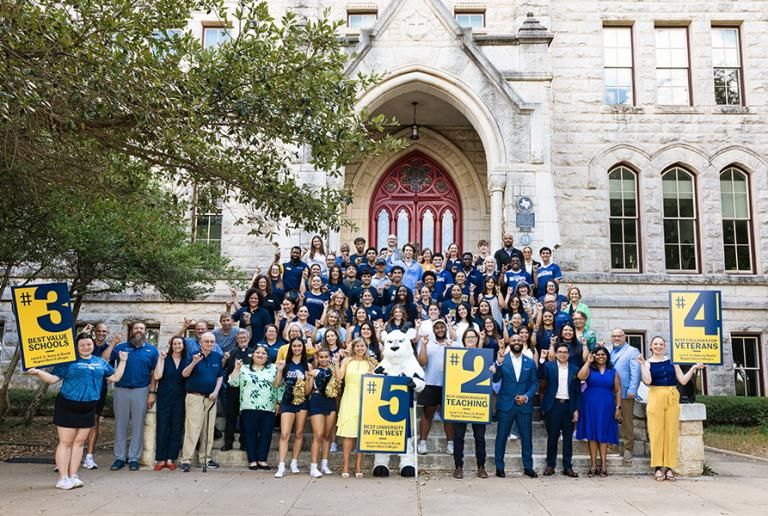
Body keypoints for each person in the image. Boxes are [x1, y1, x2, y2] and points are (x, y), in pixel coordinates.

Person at [27, 333, 127, 490]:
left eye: (89, 344)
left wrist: (123, 361)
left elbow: (115, 377)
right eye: (82, 345)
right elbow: (53, 379)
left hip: (89, 407)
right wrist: (38, 372)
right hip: (68, 405)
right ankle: (62, 478)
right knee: (66, 443)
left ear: (93, 345)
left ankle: (73, 475)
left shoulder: (100, 362)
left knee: (79, 443)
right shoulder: (68, 361)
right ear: (77, 346)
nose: (86, 347)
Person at [639, 336, 705, 481]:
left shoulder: (673, 362)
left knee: (671, 432)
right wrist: (642, 365)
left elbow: (683, 380)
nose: (658, 346)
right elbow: (648, 381)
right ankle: (657, 467)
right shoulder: (648, 363)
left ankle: (669, 467)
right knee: (656, 432)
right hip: (655, 395)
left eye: (661, 344)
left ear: (664, 346)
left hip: (672, 396)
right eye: (655, 344)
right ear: (651, 346)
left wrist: (693, 368)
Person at [100, 321, 159, 471]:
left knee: (138, 426)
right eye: (136, 328)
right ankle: (120, 457)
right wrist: (113, 344)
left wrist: (152, 393)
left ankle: (133, 458)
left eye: (141, 328)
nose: (138, 330)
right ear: (131, 331)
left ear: (145, 331)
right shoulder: (121, 347)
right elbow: (103, 359)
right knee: (120, 424)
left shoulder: (152, 350)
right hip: (121, 389)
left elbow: (154, 374)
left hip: (141, 390)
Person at [229, 345, 282, 470]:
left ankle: (262, 459)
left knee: (266, 434)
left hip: (268, 406)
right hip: (248, 406)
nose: (260, 355)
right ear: (252, 355)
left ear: (267, 356)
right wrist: (236, 368)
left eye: (263, 353)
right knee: (250, 434)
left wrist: (279, 402)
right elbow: (233, 383)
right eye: (257, 352)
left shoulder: (274, 368)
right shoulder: (244, 368)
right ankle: (252, 460)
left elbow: (279, 386)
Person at [492, 333, 538, 478]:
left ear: (523, 343)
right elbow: (495, 378)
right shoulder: (502, 359)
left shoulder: (529, 362)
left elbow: (534, 383)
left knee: (526, 437)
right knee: (501, 436)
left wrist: (526, 397)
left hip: (524, 406)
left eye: (519, 340)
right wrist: (498, 363)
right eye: (513, 340)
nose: (516, 342)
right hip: (506, 405)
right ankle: (499, 467)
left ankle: (528, 467)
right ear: (509, 343)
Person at [179, 332, 224, 472]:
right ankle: (186, 460)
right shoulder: (193, 355)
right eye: (207, 341)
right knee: (192, 429)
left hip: (211, 397)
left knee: (208, 430)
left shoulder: (217, 356)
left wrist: (216, 391)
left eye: (212, 341)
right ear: (200, 343)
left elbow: (219, 376)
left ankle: (206, 458)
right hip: (195, 396)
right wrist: (194, 363)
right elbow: (184, 374)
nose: (209, 344)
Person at [576, 347, 621, 477]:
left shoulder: (613, 371)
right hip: (590, 405)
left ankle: (604, 466)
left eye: (603, 354)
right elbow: (580, 376)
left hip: (607, 405)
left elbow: (618, 390)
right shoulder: (590, 369)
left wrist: (618, 408)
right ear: (594, 356)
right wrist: (588, 362)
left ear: (607, 356)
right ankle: (593, 466)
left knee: (603, 434)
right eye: (598, 354)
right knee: (592, 435)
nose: (601, 357)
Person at [336, 338, 378, 478]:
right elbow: (339, 377)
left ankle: (358, 466)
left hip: (365, 399)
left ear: (366, 347)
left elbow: (376, 381)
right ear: (353, 347)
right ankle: (345, 466)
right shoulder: (347, 361)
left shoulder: (370, 363)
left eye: (362, 346)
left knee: (361, 434)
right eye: (357, 346)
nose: (360, 348)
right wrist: (336, 363)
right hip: (349, 397)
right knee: (348, 434)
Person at [417, 319, 459, 455]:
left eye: (442, 327)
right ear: (433, 330)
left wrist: (450, 348)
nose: (440, 329)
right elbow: (422, 362)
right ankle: (422, 442)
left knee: (449, 416)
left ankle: (451, 443)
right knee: (427, 414)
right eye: (437, 328)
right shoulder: (427, 343)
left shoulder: (453, 344)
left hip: (449, 385)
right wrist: (423, 345)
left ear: (446, 329)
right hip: (430, 383)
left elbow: (460, 363)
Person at [452, 329, 489, 479]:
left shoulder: (484, 356)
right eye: (468, 337)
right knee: (458, 436)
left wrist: (493, 368)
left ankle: (481, 466)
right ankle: (458, 466)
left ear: (477, 339)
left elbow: (491, 372)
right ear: (464, 340)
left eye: (473, 337)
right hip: (460, 402)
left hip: (478, 402)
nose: (471, 339)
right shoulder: (456, 355)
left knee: (479, 437)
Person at [538, 343, 580, 477]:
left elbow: (577, 392)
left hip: (568, 406)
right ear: (556, 354)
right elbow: (540, 375)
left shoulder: (574, 369)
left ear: (569, 354)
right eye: (560, 352)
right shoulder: (549, 367)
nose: (562, 354)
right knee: (552, 437)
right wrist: (542, 359)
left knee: (568, 438)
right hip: (553, 406)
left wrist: (576, 409)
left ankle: (568, 467)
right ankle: (550, 465)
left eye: (565, 352)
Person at [273, 338, 312, 478]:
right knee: (285, 434)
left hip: (302, 402)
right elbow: (276, 384)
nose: (297, 348)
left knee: (299, 433)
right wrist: (279, 370)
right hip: (287, 401)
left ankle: (294, 462)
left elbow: (307, 392)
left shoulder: (308, 366)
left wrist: (308, 379)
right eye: (294, 346)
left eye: (299, 346)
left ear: (303, 348)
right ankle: (281, 465)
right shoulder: (285, 364)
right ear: (291, 348)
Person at [153, 336, 187, 471]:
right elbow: (157, 376)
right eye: (174, 343)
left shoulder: (187, 360)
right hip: (164, 396)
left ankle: (171, 458)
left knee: (176, 427)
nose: (177, 346)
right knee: (162, 426)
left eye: (179, 343)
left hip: (180, 397)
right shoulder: (164, 358)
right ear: (171, 345)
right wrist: (160, 359)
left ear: (183, 345)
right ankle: (161, 458)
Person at [609, 328, 641, 461]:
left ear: (625, 337)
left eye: (619, 336)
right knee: (610, 420)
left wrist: (632, 389)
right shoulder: (609, 351)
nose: (616, 338)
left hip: (625, 392)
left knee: (627, 422)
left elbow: (636, 372)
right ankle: (612, 445)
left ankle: (628, 448)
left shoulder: (632, 351)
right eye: (614, 336)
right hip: (610, 391)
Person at [306, 348, 337, 478]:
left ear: (329, 357)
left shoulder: (334, 371)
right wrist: (309, 378)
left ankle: (324, 464)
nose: (324, 359)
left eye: (326, 357)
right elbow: (307, 391)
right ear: (317, 358)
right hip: (317, 401)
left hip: (331, 402)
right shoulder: (314, 371)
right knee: (318, 435)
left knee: (327, 435)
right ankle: (314, 466)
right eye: (321, 357)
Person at [83, 322, 110, 470]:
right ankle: (69, 455)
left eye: (104, 331)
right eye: (99, 331)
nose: (101, 333)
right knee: (75, 422)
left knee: (94, 420)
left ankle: (89, 456)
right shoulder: (86, 344)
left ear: (107, 333)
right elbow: (72, 348)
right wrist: (83, 332)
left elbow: (106, 364)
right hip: (81, 388)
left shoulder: (110, 348)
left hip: (99, 389)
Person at [221, 329, 252, 451]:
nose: (242, 339)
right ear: (237, 339)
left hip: (248, 391)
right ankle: (228, 442)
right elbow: (223, 367)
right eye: (240, 338)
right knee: (230, 417)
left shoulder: (253, 352)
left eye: (244, 337)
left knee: (245, 417)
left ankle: (244, 443)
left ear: (248, 338)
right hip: (232, 390)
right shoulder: (232, 352)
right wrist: (225, 359)